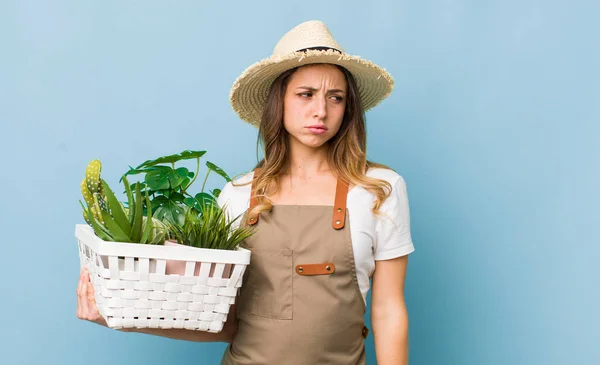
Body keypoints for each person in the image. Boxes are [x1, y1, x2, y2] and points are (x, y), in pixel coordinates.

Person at [76, 20, 415, 364]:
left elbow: (388, 311)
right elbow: (222, 322)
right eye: (305, 94)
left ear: (348, 109)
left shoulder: (379, 189)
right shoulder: (238, 194)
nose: (320, 110)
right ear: (278, 100)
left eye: (335, 97)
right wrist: (117, 316)